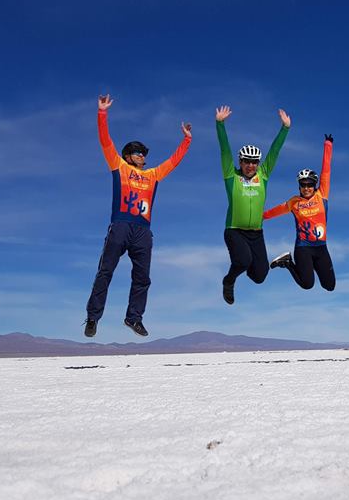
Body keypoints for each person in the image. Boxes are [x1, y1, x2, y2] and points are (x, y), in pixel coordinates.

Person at [84, 94, 191, 338]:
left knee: (143, 278)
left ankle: (134, 318)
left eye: (144, 153)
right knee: (106, 272)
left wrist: (187, 140)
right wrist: (102, 113)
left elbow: (173, 162)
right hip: (121, 225)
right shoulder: (118, 167)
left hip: (143, 231)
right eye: (138, 152)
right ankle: (93, 317)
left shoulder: (153, 175)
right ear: (127, 155)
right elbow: (105, 142)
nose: (143, 156)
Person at [216, 105, 290, 304]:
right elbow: (224, 151)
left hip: (256, 233)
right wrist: (220, 124)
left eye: (254, 162)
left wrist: (285, 129)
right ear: (240, 162)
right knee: (242, 261)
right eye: (247, 161)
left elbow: (274, 152)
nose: (251, 165)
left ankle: (248, 263)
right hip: (234, 230)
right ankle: (229, 281)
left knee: (260, 276)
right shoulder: (231, 176)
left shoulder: (263, 175)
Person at [263, 134, 336, 292]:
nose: (307, 188)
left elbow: (326, 170)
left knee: (329, 286)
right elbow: (275, 211)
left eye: (310, 184)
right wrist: (259, 217)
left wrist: (328, 145)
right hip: (303, 248)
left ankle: (314, 266)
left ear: (315, 185)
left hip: (321, 247)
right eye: (303, 184)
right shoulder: (294, 202)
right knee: (307, 284)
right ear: (299, 186)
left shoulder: (322, 195)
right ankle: (288, 262)